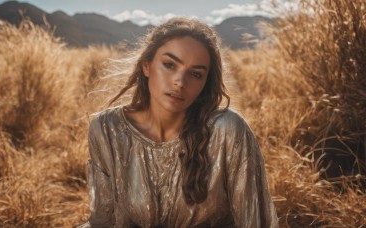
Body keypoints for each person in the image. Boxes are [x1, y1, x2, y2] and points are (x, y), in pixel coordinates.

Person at [80, 17, 278, 227]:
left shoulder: (227, 130)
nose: (180, 82)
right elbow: (104, 220)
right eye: (169, 65)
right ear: (147, 66)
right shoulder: (107, 129)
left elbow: (256, 221)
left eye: (195, 74)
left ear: (205, 82)